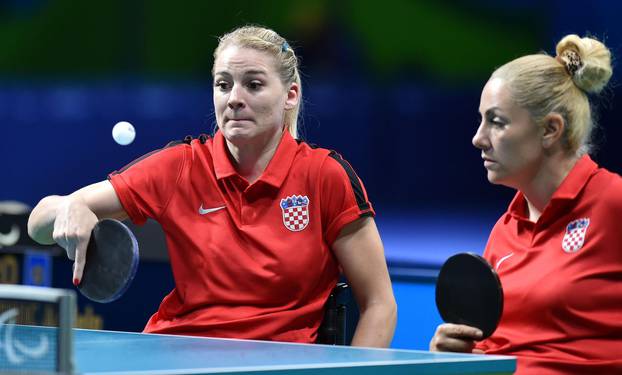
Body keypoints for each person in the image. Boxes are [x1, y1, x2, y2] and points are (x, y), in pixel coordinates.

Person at [27, 25, 397, 347]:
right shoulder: (181, 166)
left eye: (253, 84)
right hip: (176, 353)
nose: (234, 98)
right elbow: (38, 222)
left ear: (290, 95)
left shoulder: (324, 176)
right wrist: (68, 208)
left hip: (280, 362)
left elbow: (379, 302)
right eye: (224, 84)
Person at [430, 34, 622, 374]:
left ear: (550, 129)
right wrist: (458, 355)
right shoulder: (505, 229)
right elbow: (496, 344)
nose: (478, 138)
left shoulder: (612, 203)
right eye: (480, 120)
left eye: (496, 122)